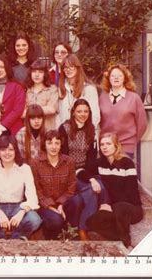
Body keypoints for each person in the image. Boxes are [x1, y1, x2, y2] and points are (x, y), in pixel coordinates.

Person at [82, 133, 143, 248]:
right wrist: (92, 180)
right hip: (112, 209)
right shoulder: (100, 163)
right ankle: (119, 238)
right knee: (92, 221)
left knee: (120, 207)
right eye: (102, 144)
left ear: (116, 146)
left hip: (131, 209)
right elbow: (81, 171)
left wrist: (110, 205)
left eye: (108, 144)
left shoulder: (126, 163)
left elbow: (131, 193)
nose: (104, 147)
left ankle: (125, 241)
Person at [0, 135, 42, 240]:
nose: (7, 153)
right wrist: (0, 214)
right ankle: (0, 238)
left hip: (18, 206)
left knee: (34, 220)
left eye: (11, 149)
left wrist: (21, 212)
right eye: (3, 149)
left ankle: (16, 238)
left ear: (16, 151)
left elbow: (32, 197)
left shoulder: (25, 169)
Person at [58, 99, 101, 240]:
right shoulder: (64, 128)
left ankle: (83, 228)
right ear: (73, 112)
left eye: (86, 111)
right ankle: (76, 229)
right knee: (84, 193)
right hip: (67, 171)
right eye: (79, 111)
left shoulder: (91, 129)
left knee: (93, 191)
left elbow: (91, 158)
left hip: (83, 171)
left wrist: (87, 176)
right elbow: (61, 155)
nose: (83, 114)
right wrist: (76, 172)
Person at [30, 130, 83, 240]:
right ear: (44, 144)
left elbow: (71, 186)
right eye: (50, 143)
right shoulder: (35, 163)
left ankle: (71, 233)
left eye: (57, 143)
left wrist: (61, 204)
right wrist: (50, 207)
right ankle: (51, 237)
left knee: (77, 200)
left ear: (61, 145)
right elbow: (36, 190)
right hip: (44, 205)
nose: (53, 147)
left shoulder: (69, 161)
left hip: (63, 202)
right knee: (56, 220)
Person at [99, 63, 148, 158]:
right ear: (109, 78)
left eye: (119, 75)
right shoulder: (102, 97)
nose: (116, 78)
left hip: (125, 148)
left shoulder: (134, 98)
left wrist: (132, 141)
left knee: (124, 173)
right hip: (106, 147)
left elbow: (142, 124)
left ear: (125, 78)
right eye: (113, 75)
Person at [57, 54, 100, 130]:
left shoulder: (89, 89)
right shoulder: (61, 89)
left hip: (85, 134)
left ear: (77, 68)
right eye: (65, 67)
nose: (68, 70)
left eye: (71, 66)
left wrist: (81, 132)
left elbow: (95, 116)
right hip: (65, 134)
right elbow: (59, 115)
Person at [0, 54, 25, 135]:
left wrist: (2, 126)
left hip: (14, 129)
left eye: (2, 67)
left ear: (7, 68)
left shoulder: (17, 87)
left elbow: (17, 110)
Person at [23, 59, 59, 130]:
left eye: (40, 72)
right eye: (34, 72)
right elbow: (22, 113)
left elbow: (51, 109)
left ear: (45, 74)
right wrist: (43, 109)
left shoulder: (52, 89)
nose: (37, 75)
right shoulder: (26, 90)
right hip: (30, 131)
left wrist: (31, 111)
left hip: (48, 130)